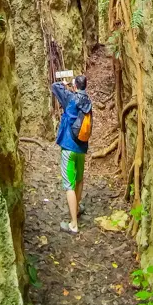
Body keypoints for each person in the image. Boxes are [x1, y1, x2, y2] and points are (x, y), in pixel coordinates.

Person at [51, 74, 92, 234]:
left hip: (69, 146)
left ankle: (73, 224)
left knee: (69, 185)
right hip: (81, 147)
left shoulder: (70, 98)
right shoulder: (88, 100)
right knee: (79, 180)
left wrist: (64, 83)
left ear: (75, 86)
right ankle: (77, 208)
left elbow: (55, 86)